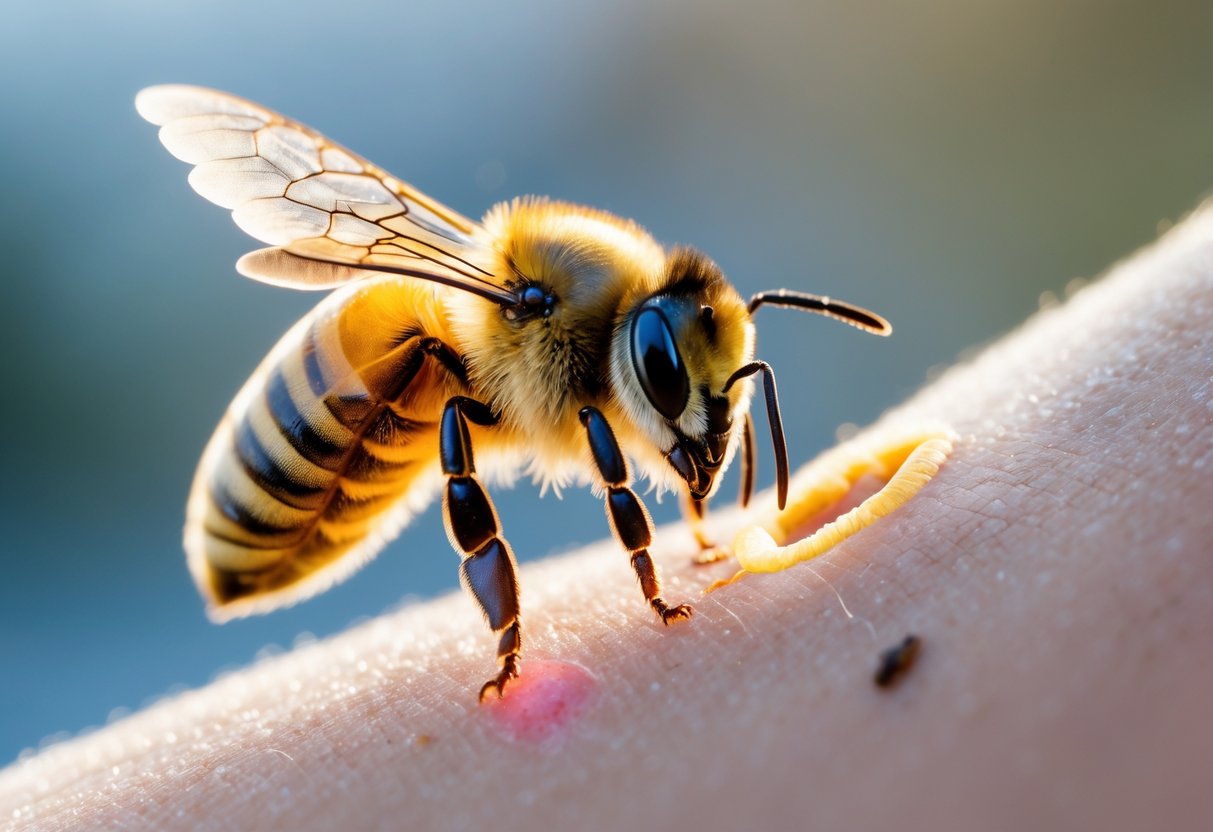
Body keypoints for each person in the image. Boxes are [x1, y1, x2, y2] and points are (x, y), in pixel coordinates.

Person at [3, 204, 1211, 832]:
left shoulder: (612, 336)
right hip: (324, 418)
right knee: (461, 411)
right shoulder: (548, 342)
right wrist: (650, 585)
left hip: (393, 395)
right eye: (680, 387)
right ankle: (508, 635)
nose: (696, 427)